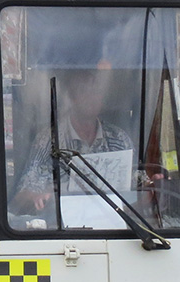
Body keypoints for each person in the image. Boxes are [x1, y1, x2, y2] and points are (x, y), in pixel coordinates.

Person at [11, 58, 133, 214]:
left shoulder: (119, 139)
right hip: (63, 229)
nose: (91, 97)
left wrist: (152, 188)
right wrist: (37, 196)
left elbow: (136, 188)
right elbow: (22, 196)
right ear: (71, 98)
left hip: (114, 225)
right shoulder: (49, 140)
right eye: (84, 91)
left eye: (96, 91)